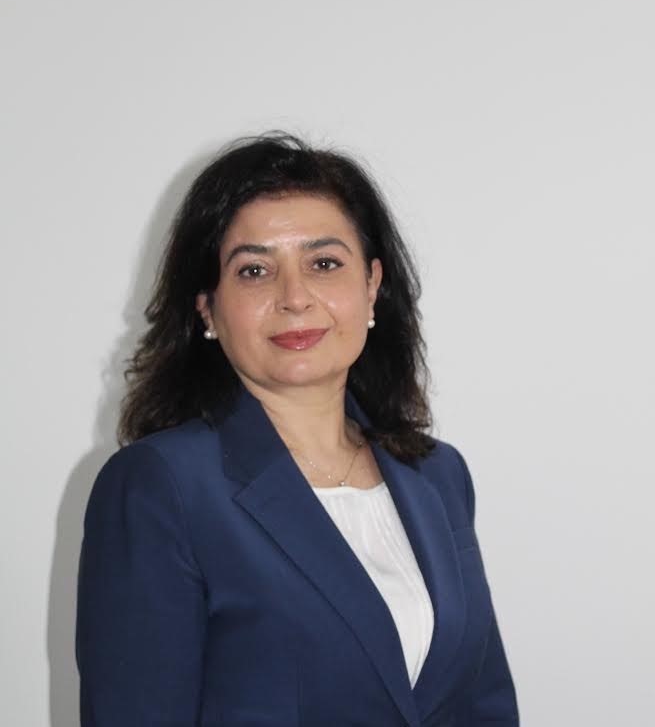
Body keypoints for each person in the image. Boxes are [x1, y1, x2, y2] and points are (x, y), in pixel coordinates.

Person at [76, 133, 519, 726]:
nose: (294, 298)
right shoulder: (160, 486)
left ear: (371, 286)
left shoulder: (437, 474)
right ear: (208, 309)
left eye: (324, 264)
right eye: (255, 270)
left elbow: (480, 704)